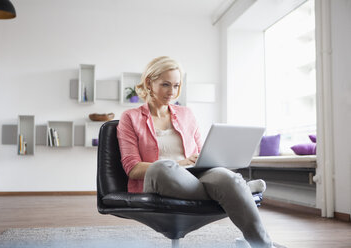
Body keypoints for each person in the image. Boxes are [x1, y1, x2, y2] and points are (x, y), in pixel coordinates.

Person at [117, 56, 283, 248]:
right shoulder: (130, 117)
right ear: (149, 83)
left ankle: (263, 244)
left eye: (176, 85)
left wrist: (203, 159)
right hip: (160, 177)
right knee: (163, 167)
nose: (172, 92)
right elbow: (132, 168)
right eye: (165, 84)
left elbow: (201, 153)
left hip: (194, 176)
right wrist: (180, 164)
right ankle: (240, 190)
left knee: (227, 178)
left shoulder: (187, 114)